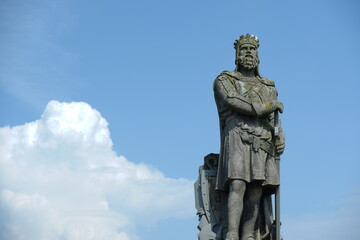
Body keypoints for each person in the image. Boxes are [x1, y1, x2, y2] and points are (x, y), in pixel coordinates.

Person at [213, 34, 285, 240]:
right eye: (244, 49)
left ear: (258, 55)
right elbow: (236, 102)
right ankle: (232, 234)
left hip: (262, 139)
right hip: (237, 135)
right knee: (238, 183)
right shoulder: (225, 80)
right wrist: (269, 106)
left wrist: (281, 137)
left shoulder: (268, 86)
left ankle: (248, 235)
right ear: (237, 55)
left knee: (256, 190)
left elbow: (275, 121)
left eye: (252, 50)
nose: (249, 53)